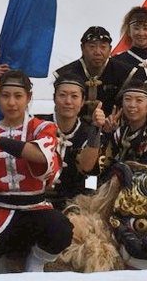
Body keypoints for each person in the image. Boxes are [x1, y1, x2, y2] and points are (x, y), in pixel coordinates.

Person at [0, 70, 73, 272]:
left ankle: (36, 261)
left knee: (61, 229)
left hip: (36, 209)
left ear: (28, 98)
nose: (12, 103)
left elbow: (40, 156)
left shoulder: (41, 127)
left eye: (18, 96)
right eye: (5, 96)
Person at [37, 76, 105, 209]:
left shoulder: (90, 133)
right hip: (36, 201)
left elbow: (91, 176)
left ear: (82, 101)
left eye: (74, 96)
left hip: (73, 203)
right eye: (62, 95)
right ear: (54, 98)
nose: (68, 101)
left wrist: (96, 129)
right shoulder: (37, 126)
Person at [99, 79, 147, 178]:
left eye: (139, 100)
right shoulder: (120, 132)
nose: (132, 105)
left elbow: (146, 177)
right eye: (127, 99)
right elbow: (100, 166)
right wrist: (106, 133)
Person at [53, 26, 128, 122]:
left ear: (110, 49)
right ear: (82, 48)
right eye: (92, 46)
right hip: (74, 130)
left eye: (103, 47)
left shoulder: (124, 73)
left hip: (113, 131)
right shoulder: (65, 74)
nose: (97, 52)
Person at [109, 6, 147, 85]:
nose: (141, 33)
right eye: (136, 28)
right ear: (128, 31)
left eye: (146, 28)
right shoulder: (117, 61)